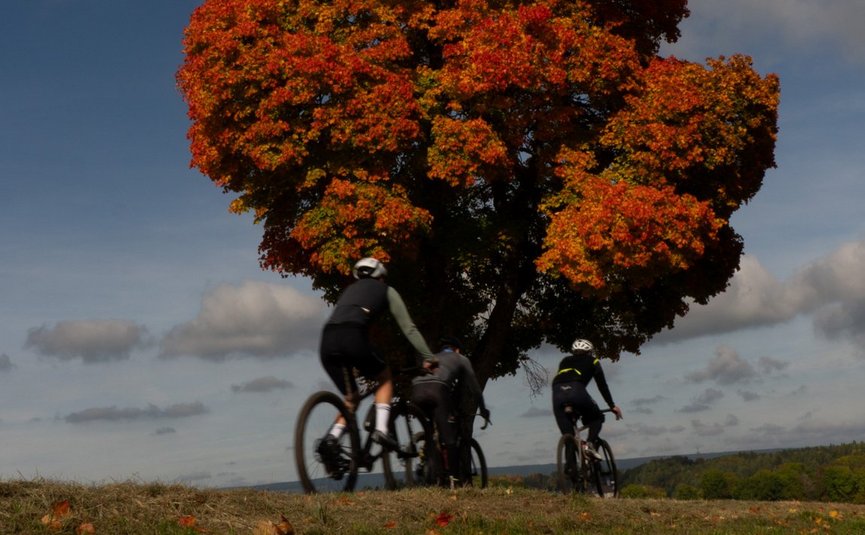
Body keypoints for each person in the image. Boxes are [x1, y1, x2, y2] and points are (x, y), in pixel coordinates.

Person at [318, 257, 434, 461]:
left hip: (327, 341)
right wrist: (428, 356)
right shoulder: (387, 290)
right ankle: (381, 429)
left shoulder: (349, 291)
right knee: (385, 376)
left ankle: (332, 438)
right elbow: (409, 328)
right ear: (381, 276)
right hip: (352, 337)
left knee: (351, 399)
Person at [411, 336, 490, 485]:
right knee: (450, 439)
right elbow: (475, 388)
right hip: (437, 389)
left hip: (416, 390)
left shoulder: (433, 357)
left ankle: (426, 458)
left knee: (433, 430)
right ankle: (454, 479)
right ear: (458, 349)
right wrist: (483, 408)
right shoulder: (461, 358)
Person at [552, 338, 622, 466]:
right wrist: (612, 405)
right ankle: (589, 444)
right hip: (577, 391)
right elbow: (602, 385)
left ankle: (571, 470)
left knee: (569, 436)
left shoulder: (564, 361)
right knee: (597, 418)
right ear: (589, 351)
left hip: (557, 392)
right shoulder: (593, 361)